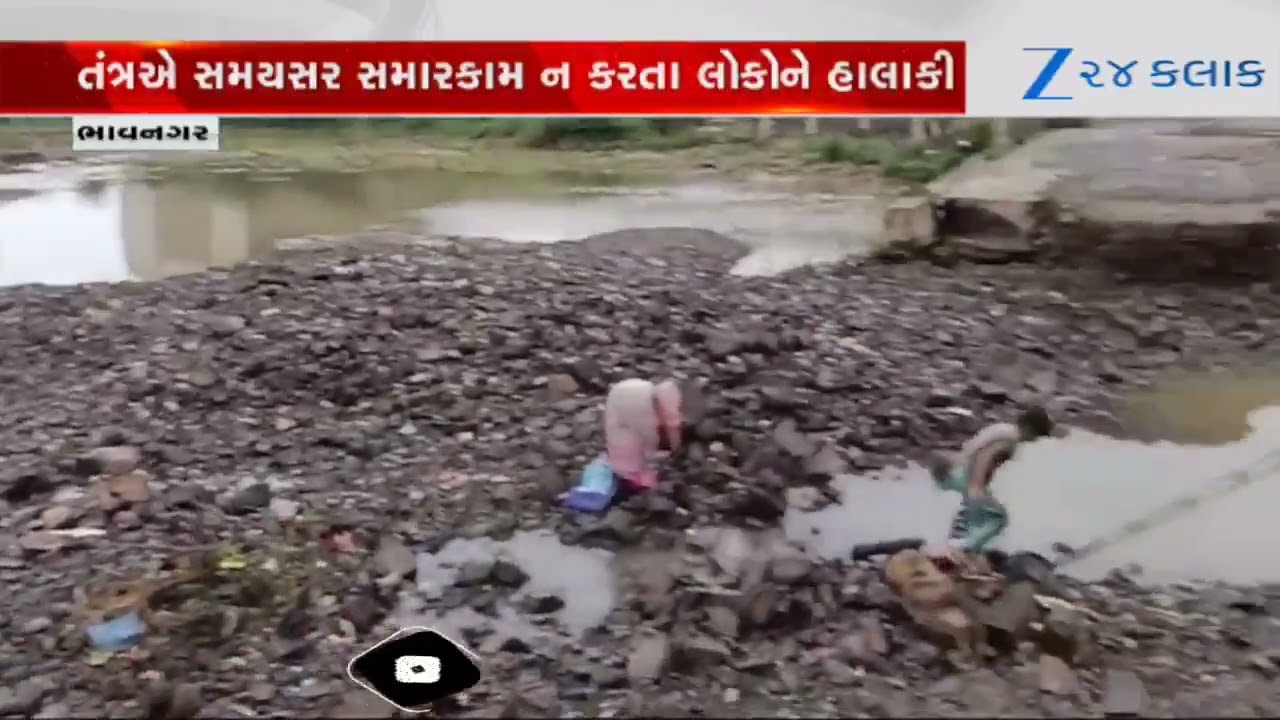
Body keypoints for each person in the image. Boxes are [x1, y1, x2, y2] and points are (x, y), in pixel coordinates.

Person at [928, 405, 1055, 565]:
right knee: (998, 517)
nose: (1035, 440)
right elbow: (985, 457)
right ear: (1030, 428)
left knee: (973, 513)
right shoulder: (1010, 440)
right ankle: (958, 549)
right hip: (963, 475)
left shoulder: (1004, 429)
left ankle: (955, 546)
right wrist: (977, 486)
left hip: (953, 470)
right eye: (1037, 435)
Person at [604, 377, 684, 494]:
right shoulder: (643, 412)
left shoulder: (663, 401)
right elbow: (649, 436)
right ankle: (630, 476)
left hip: (630, 400)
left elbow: (671, 423)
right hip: (621, 415)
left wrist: (674, 449)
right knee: (627, 446)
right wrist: (662, 454)